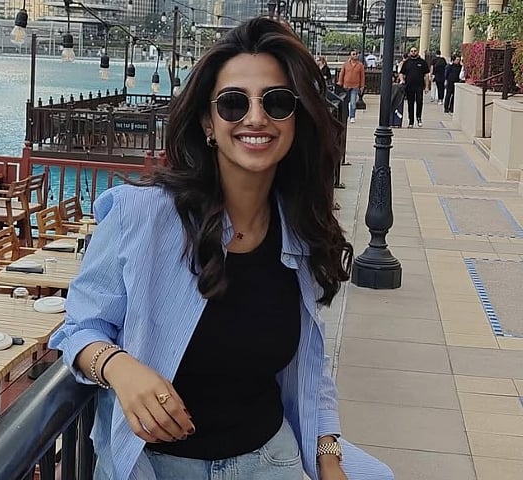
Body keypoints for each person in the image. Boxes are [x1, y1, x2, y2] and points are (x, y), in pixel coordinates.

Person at [50, 17, 394, 480]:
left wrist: (329, 458)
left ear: (296, 121)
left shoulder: (299, 230)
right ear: (208, 123)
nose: (256, 118)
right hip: (155, 468)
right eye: (234, 103)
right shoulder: (141, 215)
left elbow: (310, 367)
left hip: (271, 463)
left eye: (276, 102)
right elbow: (80, 328)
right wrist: (118, 367)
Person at [399, 46, 430, 128]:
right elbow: (401, 73)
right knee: (410, 103)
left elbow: (426, 75)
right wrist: (402, 80)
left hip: (419, 86)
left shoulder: (422, 62)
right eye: (411, 51)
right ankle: (411, 121)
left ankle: (419, 118)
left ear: (417, 51)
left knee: (419, 102)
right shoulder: (407, 62)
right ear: (409, 52)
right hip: (409, 86)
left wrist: (427, 86)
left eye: (415, 51)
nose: (413, 52)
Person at [337, 50, 365, 124]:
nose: (355, 55)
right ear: (350, 55)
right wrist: (340, 82)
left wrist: (362, 86)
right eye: (353, 54)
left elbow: (362, 76)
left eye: (356, 54)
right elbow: (342, 74)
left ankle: (352, 116)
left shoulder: (360, 65)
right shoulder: (345, 64)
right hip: (346, 85)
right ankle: (346, 115)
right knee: (346, 102)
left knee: (353, 102)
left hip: (355, 86)